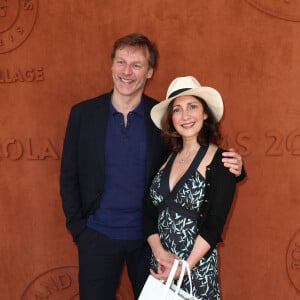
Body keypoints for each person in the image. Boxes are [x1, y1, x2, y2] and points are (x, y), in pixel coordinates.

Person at [60, 33, 245, 300]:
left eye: (137, 65)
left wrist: (237, 168)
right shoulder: (83, 114)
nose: (127, 72)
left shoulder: (160, 120)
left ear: (149, 72)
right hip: (96, 237)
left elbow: (194, 160)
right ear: (111, 64)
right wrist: (79, 229)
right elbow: (68, 175)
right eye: (121, 62)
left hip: (149, 242)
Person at [143, 76, 243, 299]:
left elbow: (214, 225)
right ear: (171, 118)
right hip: (161, 268)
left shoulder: (222, 162)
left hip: (196, 271)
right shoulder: (163, 158)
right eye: (177, 110)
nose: (185, 116)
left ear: (205, 113)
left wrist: (184, 267)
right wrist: (160, 254)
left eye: (192, 107)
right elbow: (148, 213)